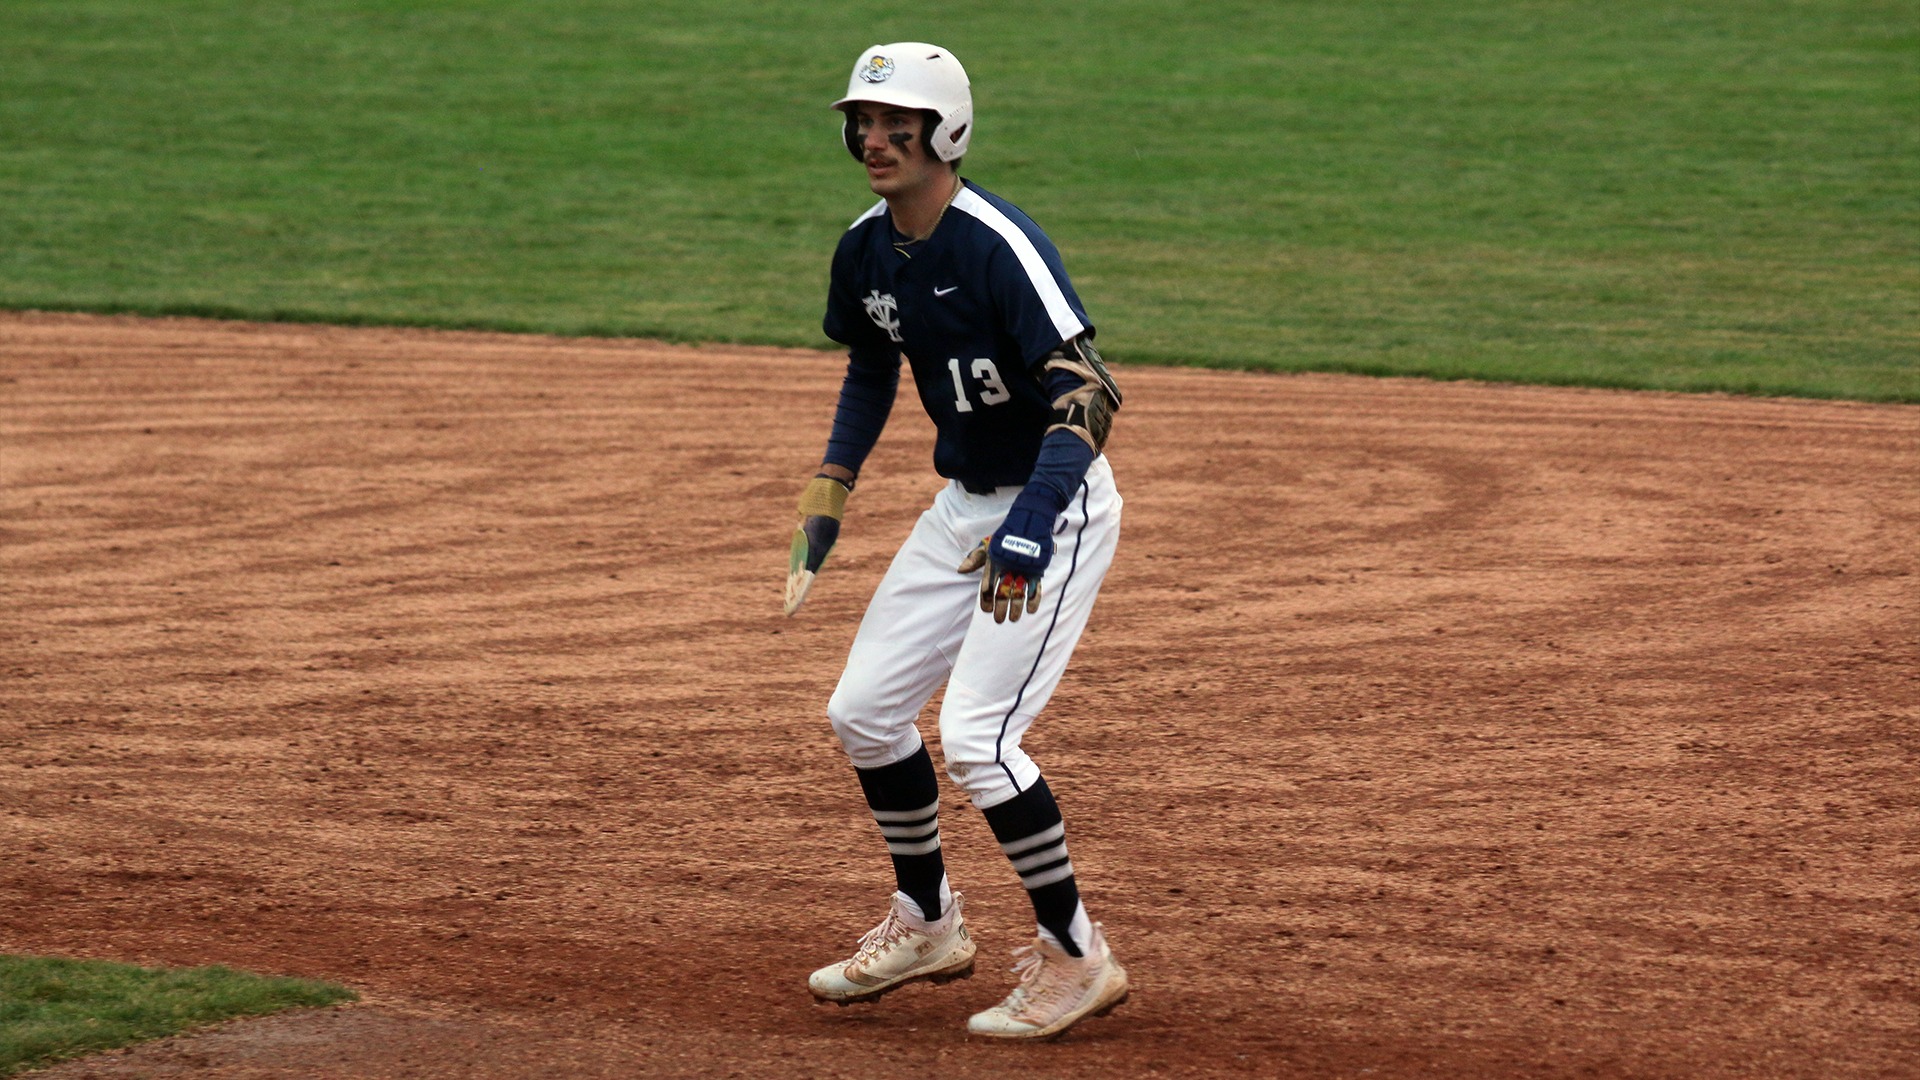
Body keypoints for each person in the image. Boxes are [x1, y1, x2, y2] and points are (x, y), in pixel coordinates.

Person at [783, 42, 1129, 1040]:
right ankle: (931, 924)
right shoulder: (866, 248)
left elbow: (1089, 393)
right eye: (864, 124)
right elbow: (870, 369)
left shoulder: (995, 245)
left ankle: (1078, 956)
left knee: (979, 740)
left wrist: (1030, 526)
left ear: (947, 134)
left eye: (899, 125)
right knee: (864, 713)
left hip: (1053, 507)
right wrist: (830, 489)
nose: (876, 141)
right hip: (965, 508)